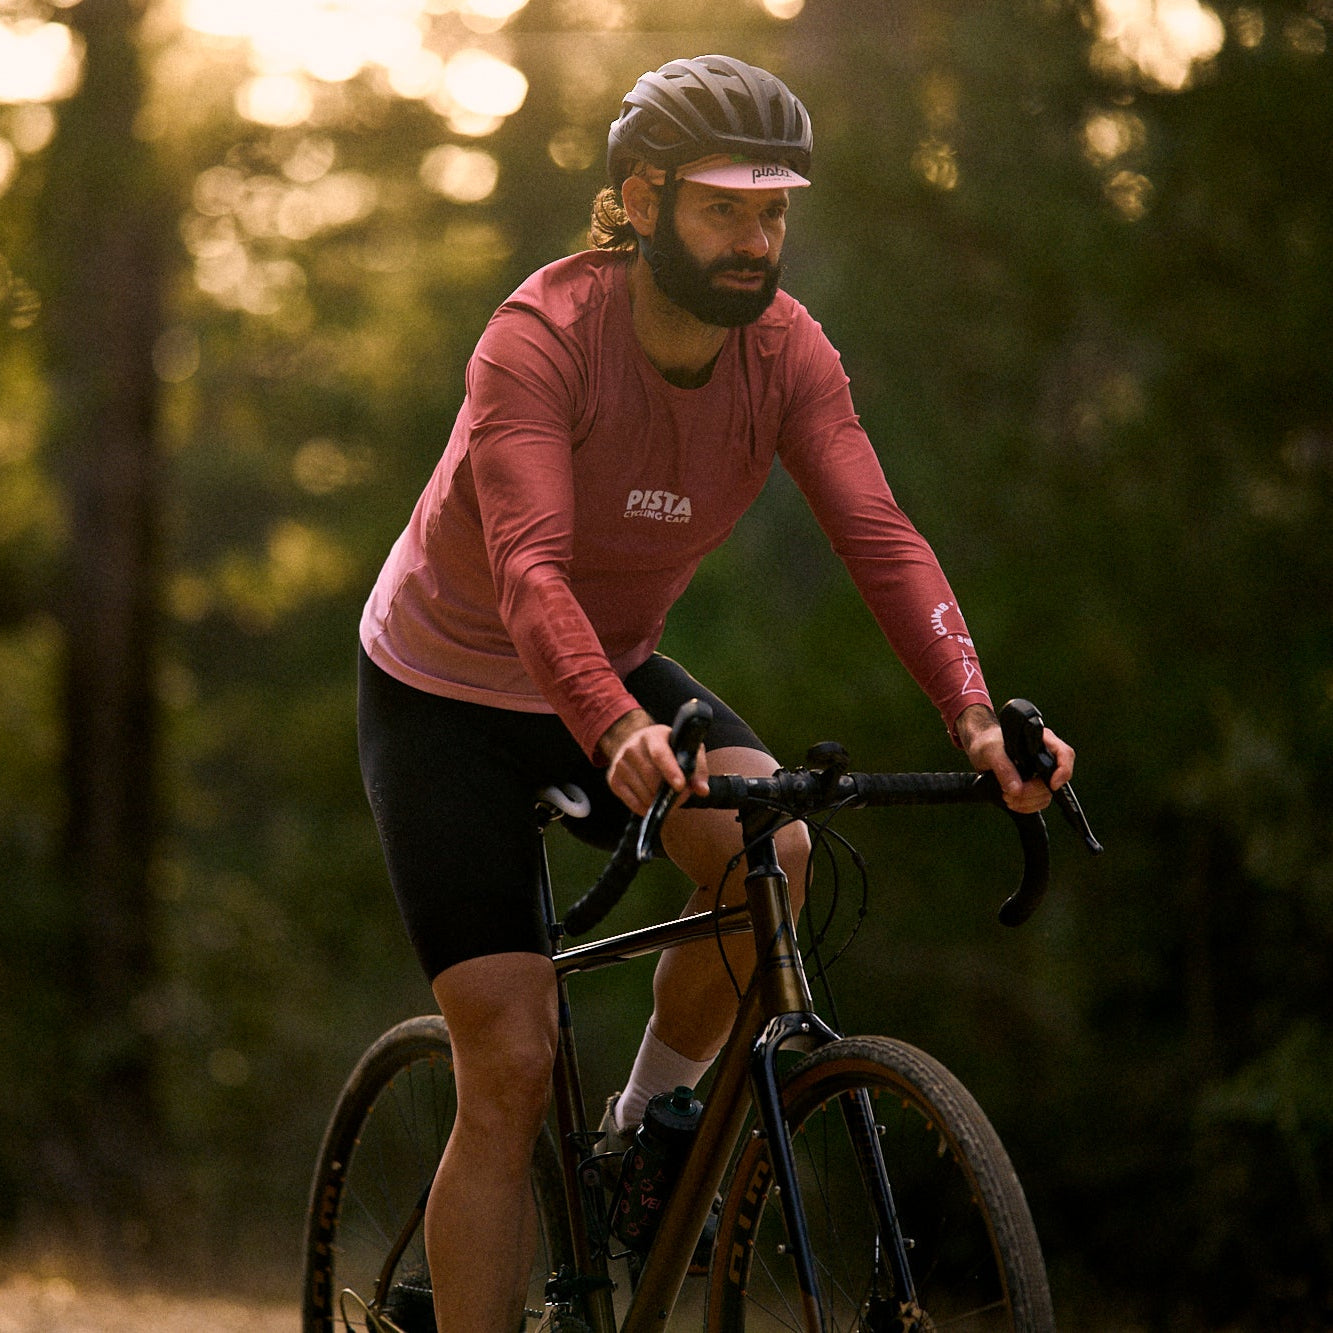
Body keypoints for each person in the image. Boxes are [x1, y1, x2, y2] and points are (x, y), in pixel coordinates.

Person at [357, 53, 1075, 1333]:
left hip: (609, 665)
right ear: (641, 201)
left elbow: (879, 535)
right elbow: (528, 573)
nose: (756, 241)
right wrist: (612, 724)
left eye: (773, 211)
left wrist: (973, 715)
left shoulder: (787, 353)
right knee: (509, 1063)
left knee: (774, 852)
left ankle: (638, 1137)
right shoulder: (541, 339)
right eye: (723, 208)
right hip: (445, 694)